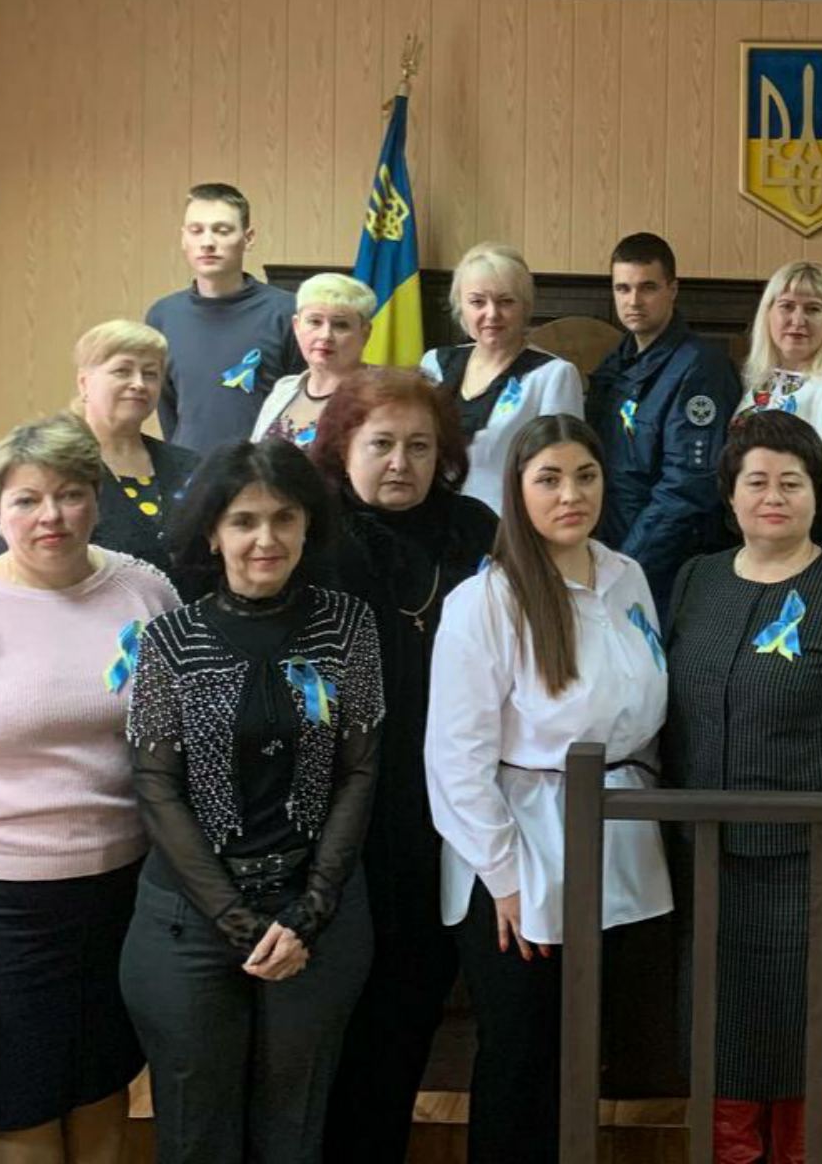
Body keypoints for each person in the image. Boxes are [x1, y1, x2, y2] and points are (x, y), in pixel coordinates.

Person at [0, 413, 179, 1164]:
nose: (51, 515)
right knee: (22, 1098)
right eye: (26, 499)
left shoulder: (146, 591)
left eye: (70, 494)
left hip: (123, 890)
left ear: (97, 500)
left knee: (103, 1080)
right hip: (1, 903)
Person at [119, 439, 383, 1164]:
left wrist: (310, 912)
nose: (266, 538)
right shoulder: (170, 639)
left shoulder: (348, 625)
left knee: (295, 1131)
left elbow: (360, 771)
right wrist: (237, 921)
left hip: (316, 917)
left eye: (283, 518)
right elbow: (155, 786)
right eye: (244, 520)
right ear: (213, 532)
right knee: (195, 1134)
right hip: (189, 923)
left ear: (307, 526)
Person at [425, 414, 671, 1164]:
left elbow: (644, 710)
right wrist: (505, 879)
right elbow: (455, 758)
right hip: (519, 849)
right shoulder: (486, 601)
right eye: (550, 479)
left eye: (585, 476)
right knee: (521, 1054)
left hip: (616, 840)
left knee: (583, 1050)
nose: (572, 495)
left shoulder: (627, 576)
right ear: (518, 490)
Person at [665, 413, 822, 1162]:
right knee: (717, 1044)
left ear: (818, 495)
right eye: (757, 481)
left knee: (805, 1045)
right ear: (730, 494)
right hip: (705, 867)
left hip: (808, 874)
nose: (773, 497)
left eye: (792, 483)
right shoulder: (697, 580)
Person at [310, 370, 498, 1163]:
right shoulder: (312, 532)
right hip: (340, 817)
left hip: (447, 810)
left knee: (409, 1011)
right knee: (335, 1028)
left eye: (420, 446)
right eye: (381, 444)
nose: (401, 462)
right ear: (342, 447)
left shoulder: (476, 530)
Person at [586, 230, 741, 614]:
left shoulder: (701, 367)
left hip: (668, 567)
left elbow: (688, 487)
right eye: (622, 288)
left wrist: (626, 564)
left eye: (648, 287)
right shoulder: (614, 366)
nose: (633, 301)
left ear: (673, 289)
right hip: (610, 551)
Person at [0, 322, 200, 577]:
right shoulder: (44, 459)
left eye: (150, 374)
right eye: (122, 371)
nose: (138, 383)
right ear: (84, 383)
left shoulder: (189, 465)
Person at [421, 241, 583, 513]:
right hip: (433, 518)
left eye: (506, 301)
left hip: (507, 526)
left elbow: (561, 472)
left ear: (525, 307)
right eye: (477, 302)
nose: (492, 314)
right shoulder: (434, 364)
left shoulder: (553, 376)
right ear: (460, 306)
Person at [145, 182, 302, 453]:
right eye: (196, 231)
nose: (207, 243)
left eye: (222, 230)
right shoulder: (163, 316)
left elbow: (300, 405)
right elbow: (168, 410)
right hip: (189, 471)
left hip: (263, 472)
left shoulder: (287, 312)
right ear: (183, 239)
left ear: (248, 238)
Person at [736, 260, 822, 549]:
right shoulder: (757, 380)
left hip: (808, 549)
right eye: (787, 306)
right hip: (750, 543)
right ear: (768, 313)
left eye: (813, 309)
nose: (798, 320)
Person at [251, 273, 377, 449]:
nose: (325, 335)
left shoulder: (382, 396)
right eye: (315, 322)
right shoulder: (283, 390)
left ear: (365, 333)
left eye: (341, 325)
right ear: (296, 326)